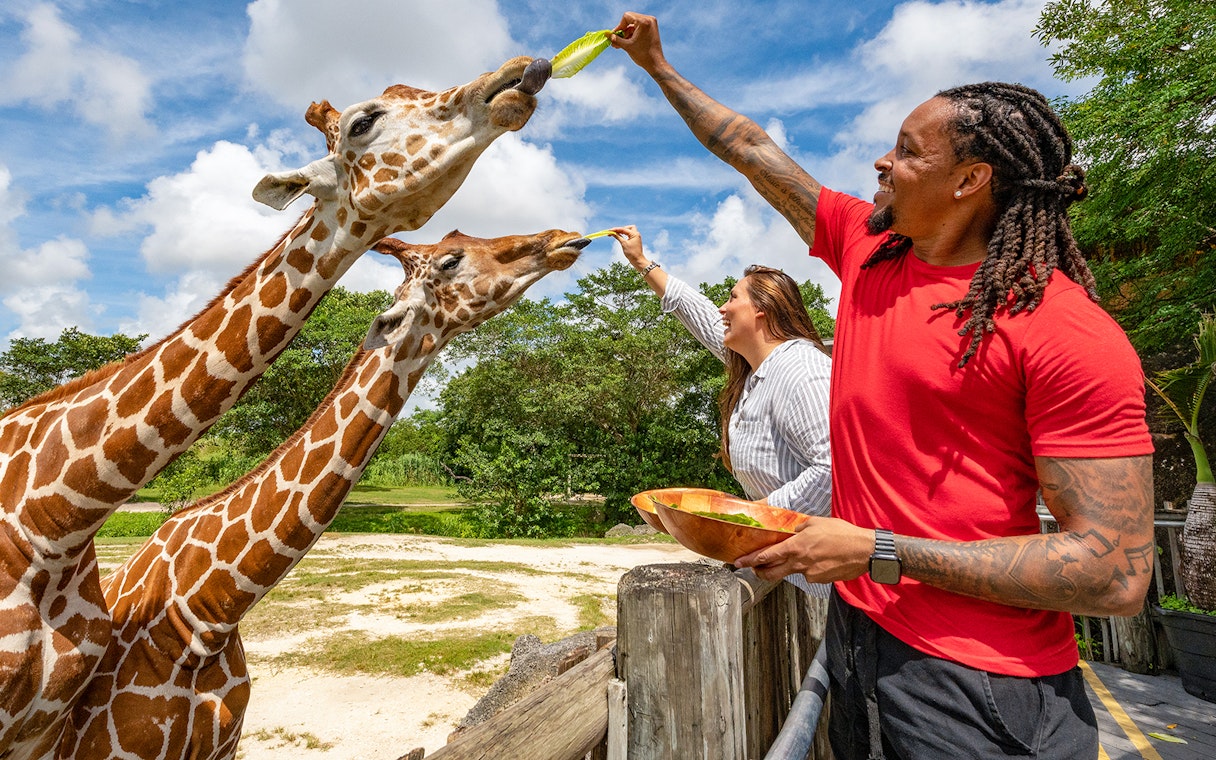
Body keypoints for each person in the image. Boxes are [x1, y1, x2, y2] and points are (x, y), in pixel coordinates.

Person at [610, 12, 1154, 760]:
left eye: (905, 151)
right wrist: (658, 68)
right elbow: (750, 148)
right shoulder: (869, 250)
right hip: (861, 635)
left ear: (970, 180)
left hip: (980, 686)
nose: (879, 161)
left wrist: (879, 550)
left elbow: (1115, 572)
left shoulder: (1063, 329)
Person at [609, 225, 832, 595]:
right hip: (796, 575)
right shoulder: (755, 365)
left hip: (830, 588)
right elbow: (697, 314)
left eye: (732, 298)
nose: (722, 308)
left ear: (762, 311)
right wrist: (642, 263)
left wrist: (749, 520)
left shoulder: (801, 370)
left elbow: (832, 470)